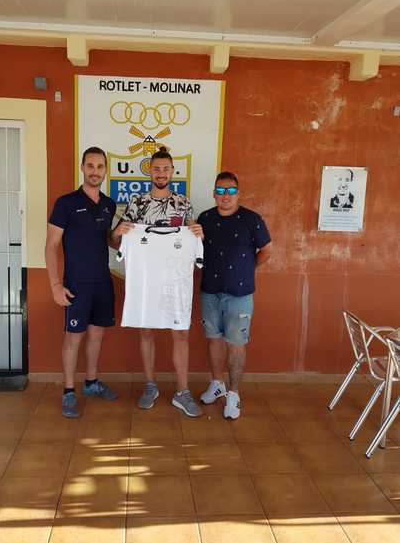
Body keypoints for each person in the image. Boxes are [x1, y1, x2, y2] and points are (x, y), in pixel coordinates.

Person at [111, 147, 204, 417]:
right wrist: (117, 232)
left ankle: (182, 391)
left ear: (172, 171)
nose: (161, 173)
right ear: (149, 172)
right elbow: (117, 242)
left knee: (181, 333)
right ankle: (150, 385)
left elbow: (194, 240)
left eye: (165, 169)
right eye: (156, 169)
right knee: (146, 331)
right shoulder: (136, 204)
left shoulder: (184, 204)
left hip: (175, 281)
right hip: (146, 281)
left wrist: (198, 233)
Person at [45, 147, 118, 418]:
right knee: (73, 337)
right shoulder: (66, 203)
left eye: (100, 166)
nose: (95, 171)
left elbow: (108, 240)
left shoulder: (109, 204)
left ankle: (91, 382)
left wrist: (120, 235)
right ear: (82, 167)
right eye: (90, 166)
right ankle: (68, 391)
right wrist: (55, 285)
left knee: (97, 335)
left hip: (102, 281)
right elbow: (51, 246)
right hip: (76, 283)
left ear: (105, 170)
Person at [198, 171, 272, 419]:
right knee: (213, 340)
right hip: (210, 291)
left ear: (238, 193)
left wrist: (247, 269)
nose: (225, 195)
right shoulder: (205, 218)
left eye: (230, 191)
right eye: (220, 190)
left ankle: (233, 394)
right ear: (214, 193)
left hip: (240, 295)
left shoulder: (252, 220)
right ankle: (217, 384)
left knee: (236, 345)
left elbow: (266, 250)